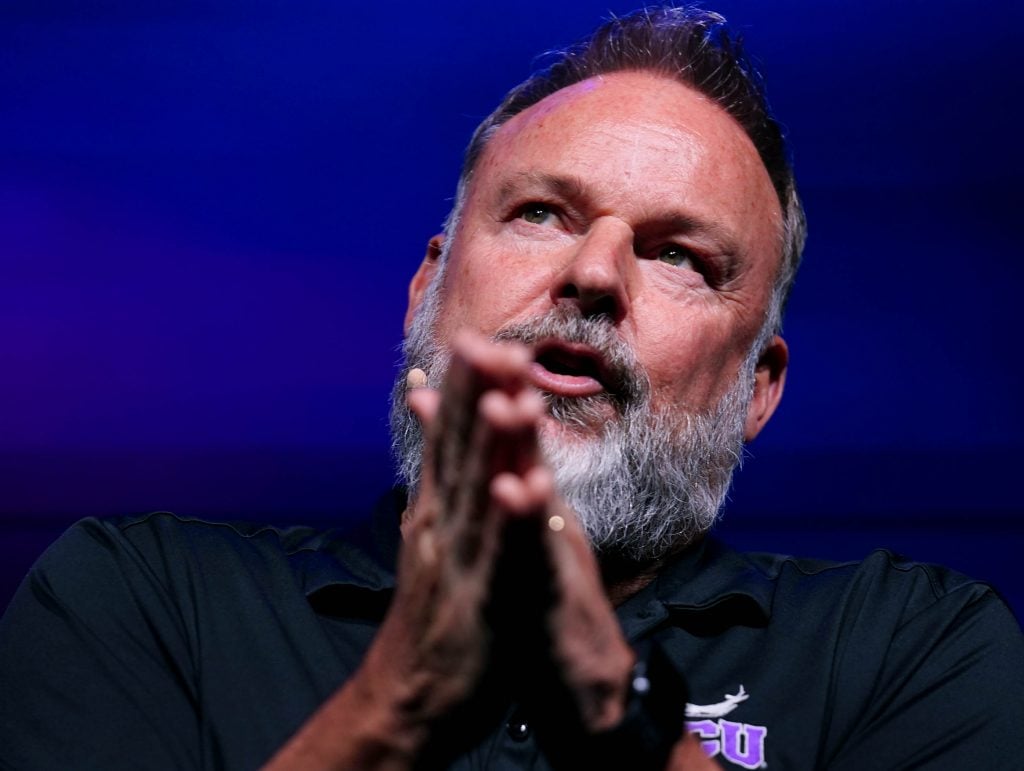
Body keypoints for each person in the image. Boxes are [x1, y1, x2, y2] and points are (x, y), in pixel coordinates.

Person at [1, 6, 1021, 770]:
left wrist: (609, 702)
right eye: (540, 213)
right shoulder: (147, 600)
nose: (593, 273)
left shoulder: (903, 647)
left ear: (759, 386)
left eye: (678, 254)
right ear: (427, 288)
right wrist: (397, 699)